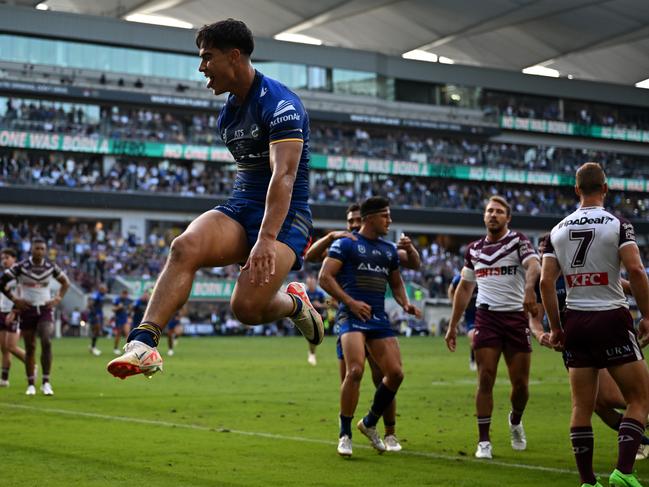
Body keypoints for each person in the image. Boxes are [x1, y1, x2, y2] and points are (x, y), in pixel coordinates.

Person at [108, 18, 323, 379]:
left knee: (247, 310)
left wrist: (266, 238)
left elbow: (283, 175)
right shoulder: (227, 117)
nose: (201, 67)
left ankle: (294, 303)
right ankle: (144, 343)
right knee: (183, 247)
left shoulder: (282, 104)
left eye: (207, 57)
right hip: (242, 207)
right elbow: (249, 176)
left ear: (234, 56)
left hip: (285, 217)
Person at [540, 162, 649, 487]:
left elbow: (547, 282)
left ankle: (588, 482)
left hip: (576, 319)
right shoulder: (618, 225)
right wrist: (647, 316)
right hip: (611, 316)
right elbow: (637, 272)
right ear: (605, 188)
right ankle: (623, 471)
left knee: (581, 406)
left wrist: (556, 327)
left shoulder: (556, 231)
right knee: (640, 398)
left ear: (576, 190)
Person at [305, 202, 421, 451]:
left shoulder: (387, 249)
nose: (389, 221)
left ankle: (381, 429)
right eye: (385, 216)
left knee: (391, 375)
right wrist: (350, 301)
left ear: (363, 219)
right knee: (353, 372)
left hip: (376, 317)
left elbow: (405, 273)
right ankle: (345, 434)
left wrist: (406, 304)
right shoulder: (343, 243)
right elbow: (315, 263)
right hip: (350, 316)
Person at [445, 196, 541, 460]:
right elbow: (464, 289)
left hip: (515, 318)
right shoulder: (474, 250)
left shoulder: (518, 241)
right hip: (486, 319)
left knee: (520, 386)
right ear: (484, 216)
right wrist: (453, 326)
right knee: (485, 378)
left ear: (507, 218)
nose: (493, 215)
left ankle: (515, 420)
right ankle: (484, 441)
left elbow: (534, 264)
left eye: (499, 211)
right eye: (489, 211)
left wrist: (530, 288)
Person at [0, 237, 69, 396]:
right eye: (36, 248)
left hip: (44, 308)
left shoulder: (50, 267)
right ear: (31, 249)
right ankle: (31, 383)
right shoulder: (21, 267)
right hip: (27, 309)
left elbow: (65, 282)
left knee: (46, 340)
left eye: (42, 249)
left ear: (45, 251)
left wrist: (58, 298)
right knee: (30, 347)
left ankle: (46, 382)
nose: (39, 251)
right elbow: (2, 282)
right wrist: (15, 300)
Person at [0, 248, 26, 387]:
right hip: (2, 311)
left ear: (14, 259)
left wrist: (15, 311)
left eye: (7, 257)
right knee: (4, 347)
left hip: (13, 312)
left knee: (11, 346)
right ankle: (4, 379)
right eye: (3, 258)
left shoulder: (18, 276)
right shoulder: (4, 275)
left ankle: (31, 364)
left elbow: (21, 295)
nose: (4, 260)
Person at [447, 273, 478, 371]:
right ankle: (473, 360)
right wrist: (456, 307)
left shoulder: (486, 275)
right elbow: (451, 290)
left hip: (485, 311)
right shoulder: (462, 277)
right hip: (470, 314)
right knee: (474, 337)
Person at [305, 275, 325, 366]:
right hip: (308, 318)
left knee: (317, 336)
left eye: (312, 283)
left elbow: (328, 302)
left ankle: (312, 353)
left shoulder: (320, 294)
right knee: (313, 336)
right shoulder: (305, 293)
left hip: (320, 317)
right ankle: (312, 354)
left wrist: (320, 305)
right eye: (309, 283)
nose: (311, 285)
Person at [112, 288, 132, 355]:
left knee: (127, 333)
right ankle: (115, 348)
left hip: (125, 318)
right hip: (118, 319)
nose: (125, 295)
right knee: (118, 334)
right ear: (121, 294)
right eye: (124, 294)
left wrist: (130, 309)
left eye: (126, 294)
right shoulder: (117, 300)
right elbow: (113, 309)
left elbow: (129, 308)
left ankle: (128, 349)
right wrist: (118, 307)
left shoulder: (128, 300)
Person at [88, 284, 106, 356]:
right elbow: (90, 304)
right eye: (104, 289)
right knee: (97, 330)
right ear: (100, 289)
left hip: (99, 315)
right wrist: (95, 314)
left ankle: (92, 346)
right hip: (95, 315)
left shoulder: (102, 296)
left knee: (96, 331)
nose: (105, 291)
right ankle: (93, 347)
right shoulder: (96, 295)